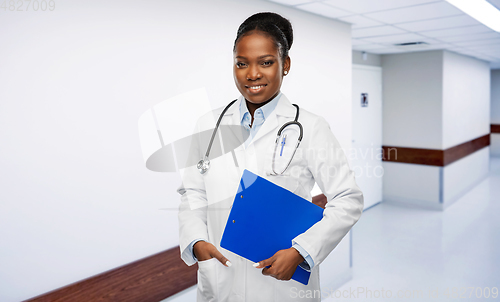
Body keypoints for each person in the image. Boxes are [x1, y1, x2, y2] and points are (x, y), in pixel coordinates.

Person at [177, 12, 363, 302]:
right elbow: (192, 193)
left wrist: (302, 251)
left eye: (266, 62)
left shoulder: (311, 127)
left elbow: (348, 199)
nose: (252, 74)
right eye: (242, 63)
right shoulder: (208, 125)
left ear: (285, 64)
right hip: (220, 279)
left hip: (281, 286)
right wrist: (196, 241)